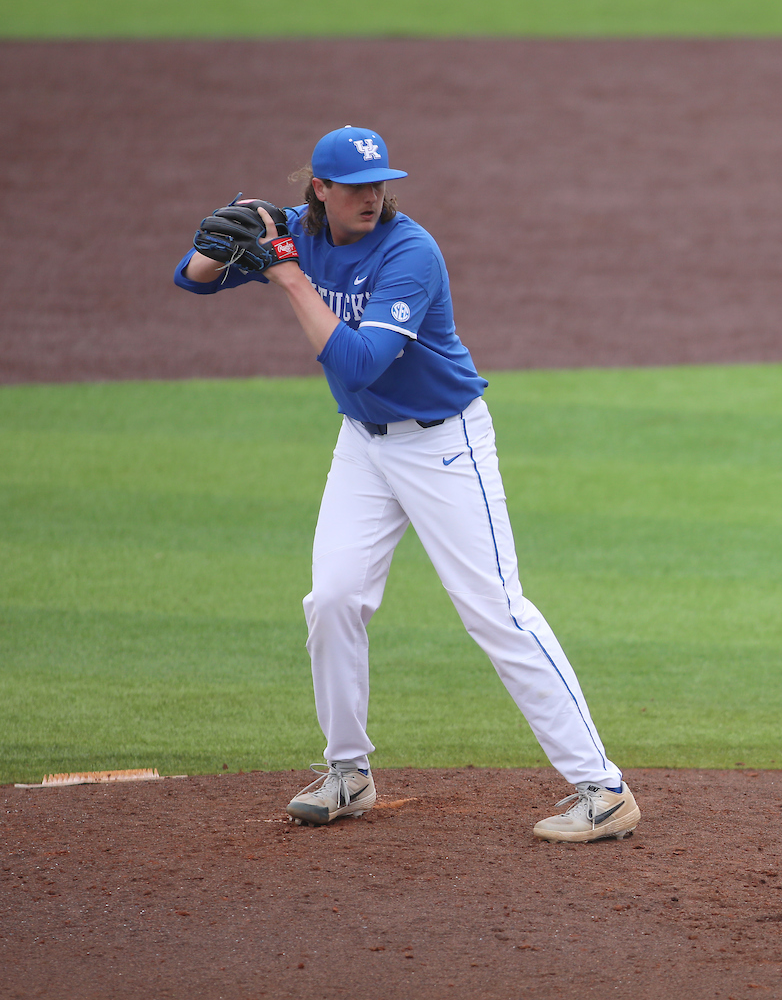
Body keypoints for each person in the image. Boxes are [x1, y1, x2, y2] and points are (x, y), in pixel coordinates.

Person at [174, 125, 641, 843]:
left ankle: (602, 789)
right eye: (355, 187)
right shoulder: (300, 232)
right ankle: (348, 773)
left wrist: (286, 273)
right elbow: (191, 280)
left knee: (496, 612)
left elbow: (361, 364)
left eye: (380, 184)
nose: (372, 197)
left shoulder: (409, 252)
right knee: (331, 598)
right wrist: (222, 242)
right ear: (320, 190)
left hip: (444, 444)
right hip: (363, 444)